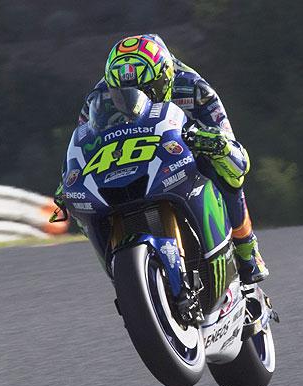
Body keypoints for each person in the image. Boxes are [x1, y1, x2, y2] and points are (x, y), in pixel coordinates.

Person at [60, 34, 268, 284]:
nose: (131, 98)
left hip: (182, 150)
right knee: (79, 201)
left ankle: (247, 248)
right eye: (122, 93)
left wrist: (215, 143)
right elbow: (83, 144)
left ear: (165, 78)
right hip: (132, 158)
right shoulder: (99, 97)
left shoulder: (194, 88)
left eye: (146, 90)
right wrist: (68, 179)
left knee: (227, 165)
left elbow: (234, 151)